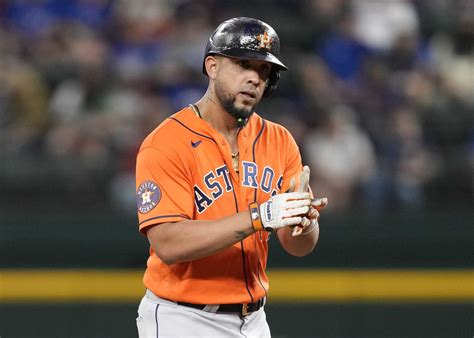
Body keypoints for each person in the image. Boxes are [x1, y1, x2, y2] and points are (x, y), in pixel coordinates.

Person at [135, 17, 327, 337]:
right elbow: (168, 243)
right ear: (212, 66)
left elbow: (297, 246)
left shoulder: (279, 140)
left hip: (254, 319)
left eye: (263, 71)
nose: (254, 78)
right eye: (243, 64)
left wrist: (304, 221)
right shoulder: (166, 142)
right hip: (182, 319)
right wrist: (259, 216)